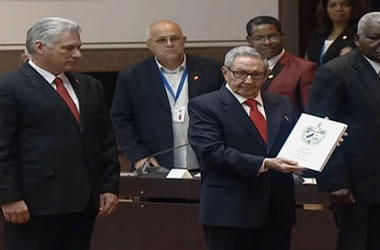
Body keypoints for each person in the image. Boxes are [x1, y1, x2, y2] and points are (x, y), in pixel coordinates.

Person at [0, 17, 120, 250]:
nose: (77, 54)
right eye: (68, 48)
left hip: (83, 202)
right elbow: (2, 146)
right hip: (34, 204)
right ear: (39, 47)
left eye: (78, 47)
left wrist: (109, 186)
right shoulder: (9, 87)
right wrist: (8, 197)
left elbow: (104, 139)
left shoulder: (89, 86)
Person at [188, 46, 304, 250]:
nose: (249, 80)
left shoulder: (281, 103)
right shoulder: (205, 106)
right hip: (230, 212)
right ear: (225, 72)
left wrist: (324, 139)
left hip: (277, 210)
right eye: (241, 73)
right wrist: (265, 163)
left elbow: (294, 142)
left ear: (266, 75)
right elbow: (211, 152)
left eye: (256, 74)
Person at [308, 12, 380, 250]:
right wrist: (335, 181)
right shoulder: (335, 72)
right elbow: (318, 127)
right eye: (375, 38)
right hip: (358, 184)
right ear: (358, 39)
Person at [111, 20, 224, 171]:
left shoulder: (212, 70)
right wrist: (138, 156)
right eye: (161, 40)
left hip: (207, 162)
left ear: (184, 40)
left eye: (175, 38)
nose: (170, 44)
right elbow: (121, 120)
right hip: (157, 164)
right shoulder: (132, 76)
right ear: (149, 45)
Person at [246, 16, 317, 116]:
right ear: (249, 41)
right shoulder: (243, 68)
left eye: (272, 36)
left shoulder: (303, 68)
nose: (267, 42)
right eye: (259, 38)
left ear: (282, 36)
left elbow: (310, 111)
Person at [306, 0, 366, 65]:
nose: (338, 9)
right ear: (325, 9)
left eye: (345, 5)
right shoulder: (317, 35)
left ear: (353, 8)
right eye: (333, 5)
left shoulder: (359, 36)